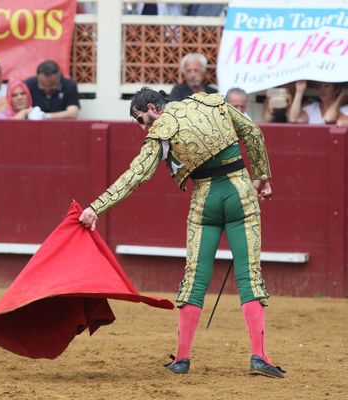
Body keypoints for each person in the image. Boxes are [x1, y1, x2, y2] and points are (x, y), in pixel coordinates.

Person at [78, 87, 284, 378]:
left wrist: (95, 208)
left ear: (153, 107)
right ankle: (260, 357)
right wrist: (262, 177)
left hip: (205, 201)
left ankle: (183, 359)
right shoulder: (210, 102)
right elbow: (253, 133)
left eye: (141, 119)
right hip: (240, 192)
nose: (143, 127)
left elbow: (136, 175)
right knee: (249, 274)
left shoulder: (162, 128)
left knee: (195, 278)